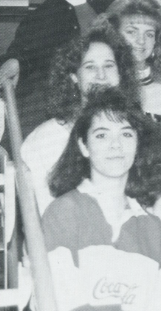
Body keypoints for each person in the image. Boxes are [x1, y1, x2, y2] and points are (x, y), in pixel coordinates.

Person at [43, 88, 161, 311]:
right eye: (102, 135)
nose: (116, 145)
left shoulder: (153, 230)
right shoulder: (62, 213)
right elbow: (60, 299)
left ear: (138, 145)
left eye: (126, 134)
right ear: (83, 146)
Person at [1, 0, 115, 136]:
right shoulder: (39, 17)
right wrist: (15, 61)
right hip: (59, 115)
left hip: (107, 107)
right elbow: (22, 52)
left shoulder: (109, 7)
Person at [21, 23, 140, 215]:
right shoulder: (43, 140)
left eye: (109, 66)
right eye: (90, 66)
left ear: (120, 73)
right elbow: (40, 217)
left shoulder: (138, 131)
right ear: (74, 76)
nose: (101, 75)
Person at [98, 0, 161, 126]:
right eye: (132, 32)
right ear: (113, 35)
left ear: (158, 41)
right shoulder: (103, 83)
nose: (141, 40)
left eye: (149, 34)